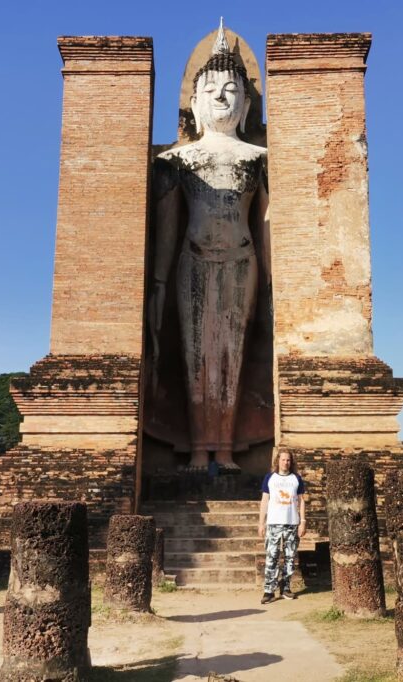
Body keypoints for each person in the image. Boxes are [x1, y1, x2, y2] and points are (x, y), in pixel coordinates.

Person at [149, 21, 267, 472]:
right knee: (197, 359)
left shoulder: (259, 160)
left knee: (232, 357)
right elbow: (166, 228)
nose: (221, 96)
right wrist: (158, 283)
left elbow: (269, 226)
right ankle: (200, 449)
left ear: (246, 102)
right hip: (191, 262)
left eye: (231, 88)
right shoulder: (177, 161)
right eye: (211, 88)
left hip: (242, 260)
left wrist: (276, 287)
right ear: (194, 103)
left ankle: (227, 449)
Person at [257, 450, 306, 603]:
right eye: (283, 460)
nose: (286, 463)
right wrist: (261, 523)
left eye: (288, 460)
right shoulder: (270, 478)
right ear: (278, 461)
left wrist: (302, 521)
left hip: (292, 523)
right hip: (273, 523)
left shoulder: (296, 479)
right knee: (272, 556)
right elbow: (264, 501)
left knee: (290, 557)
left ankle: (285, 588)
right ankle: (269, 591)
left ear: (291, 462)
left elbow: (301, 500)